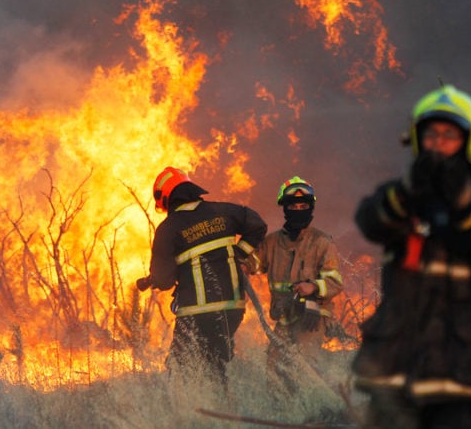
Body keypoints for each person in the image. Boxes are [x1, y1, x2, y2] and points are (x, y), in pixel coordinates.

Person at [351, 85, 471, 428]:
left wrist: (464, 204)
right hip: (393, 367)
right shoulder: (397, 197)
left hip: (458, 372)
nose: (439, 144)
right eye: (431, 134)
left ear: (469, 142)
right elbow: (370, 221)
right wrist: (407, 193)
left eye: (449, 135)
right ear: (417, 139)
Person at [136, 166, 267, 386]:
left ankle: (197, 411)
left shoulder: (168, 229)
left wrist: (158, 277)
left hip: (197, 312)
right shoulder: (223, 211)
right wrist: (239, 253)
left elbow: (164, 280)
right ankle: (222, 406)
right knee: (214, 364)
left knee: (179, 369)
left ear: (167, 198)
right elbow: (257, 225)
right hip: (233, 307)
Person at [255, 176, 344, 392]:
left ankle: (316, 411)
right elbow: (253, 264)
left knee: (306, 367)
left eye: (303, 206)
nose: (298, 209)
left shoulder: (322, 242)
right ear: (284, 208)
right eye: (293, 206)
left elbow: (334, 282)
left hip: (311, 317)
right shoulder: (272, 242)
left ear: (310, 208)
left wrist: (313, 287)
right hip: (284, 319)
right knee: (274, 371)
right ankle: (282, 416)